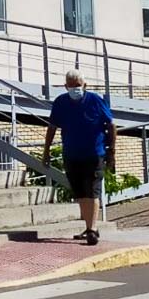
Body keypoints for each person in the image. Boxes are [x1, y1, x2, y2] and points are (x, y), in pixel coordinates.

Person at [42, 69, 117, 246]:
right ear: (65, 86)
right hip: (72, 154)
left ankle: (92, 229)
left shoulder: (95, 100)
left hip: (94, 153)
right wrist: (46, 152)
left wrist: (111, 151)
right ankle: (89, 226)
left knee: (93, 190)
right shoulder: (60, 102)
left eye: (78, 85)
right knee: (81, 192)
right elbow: (52, 127)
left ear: (85, 85)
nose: (75, 88)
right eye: (71, 85)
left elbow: (111, 124)